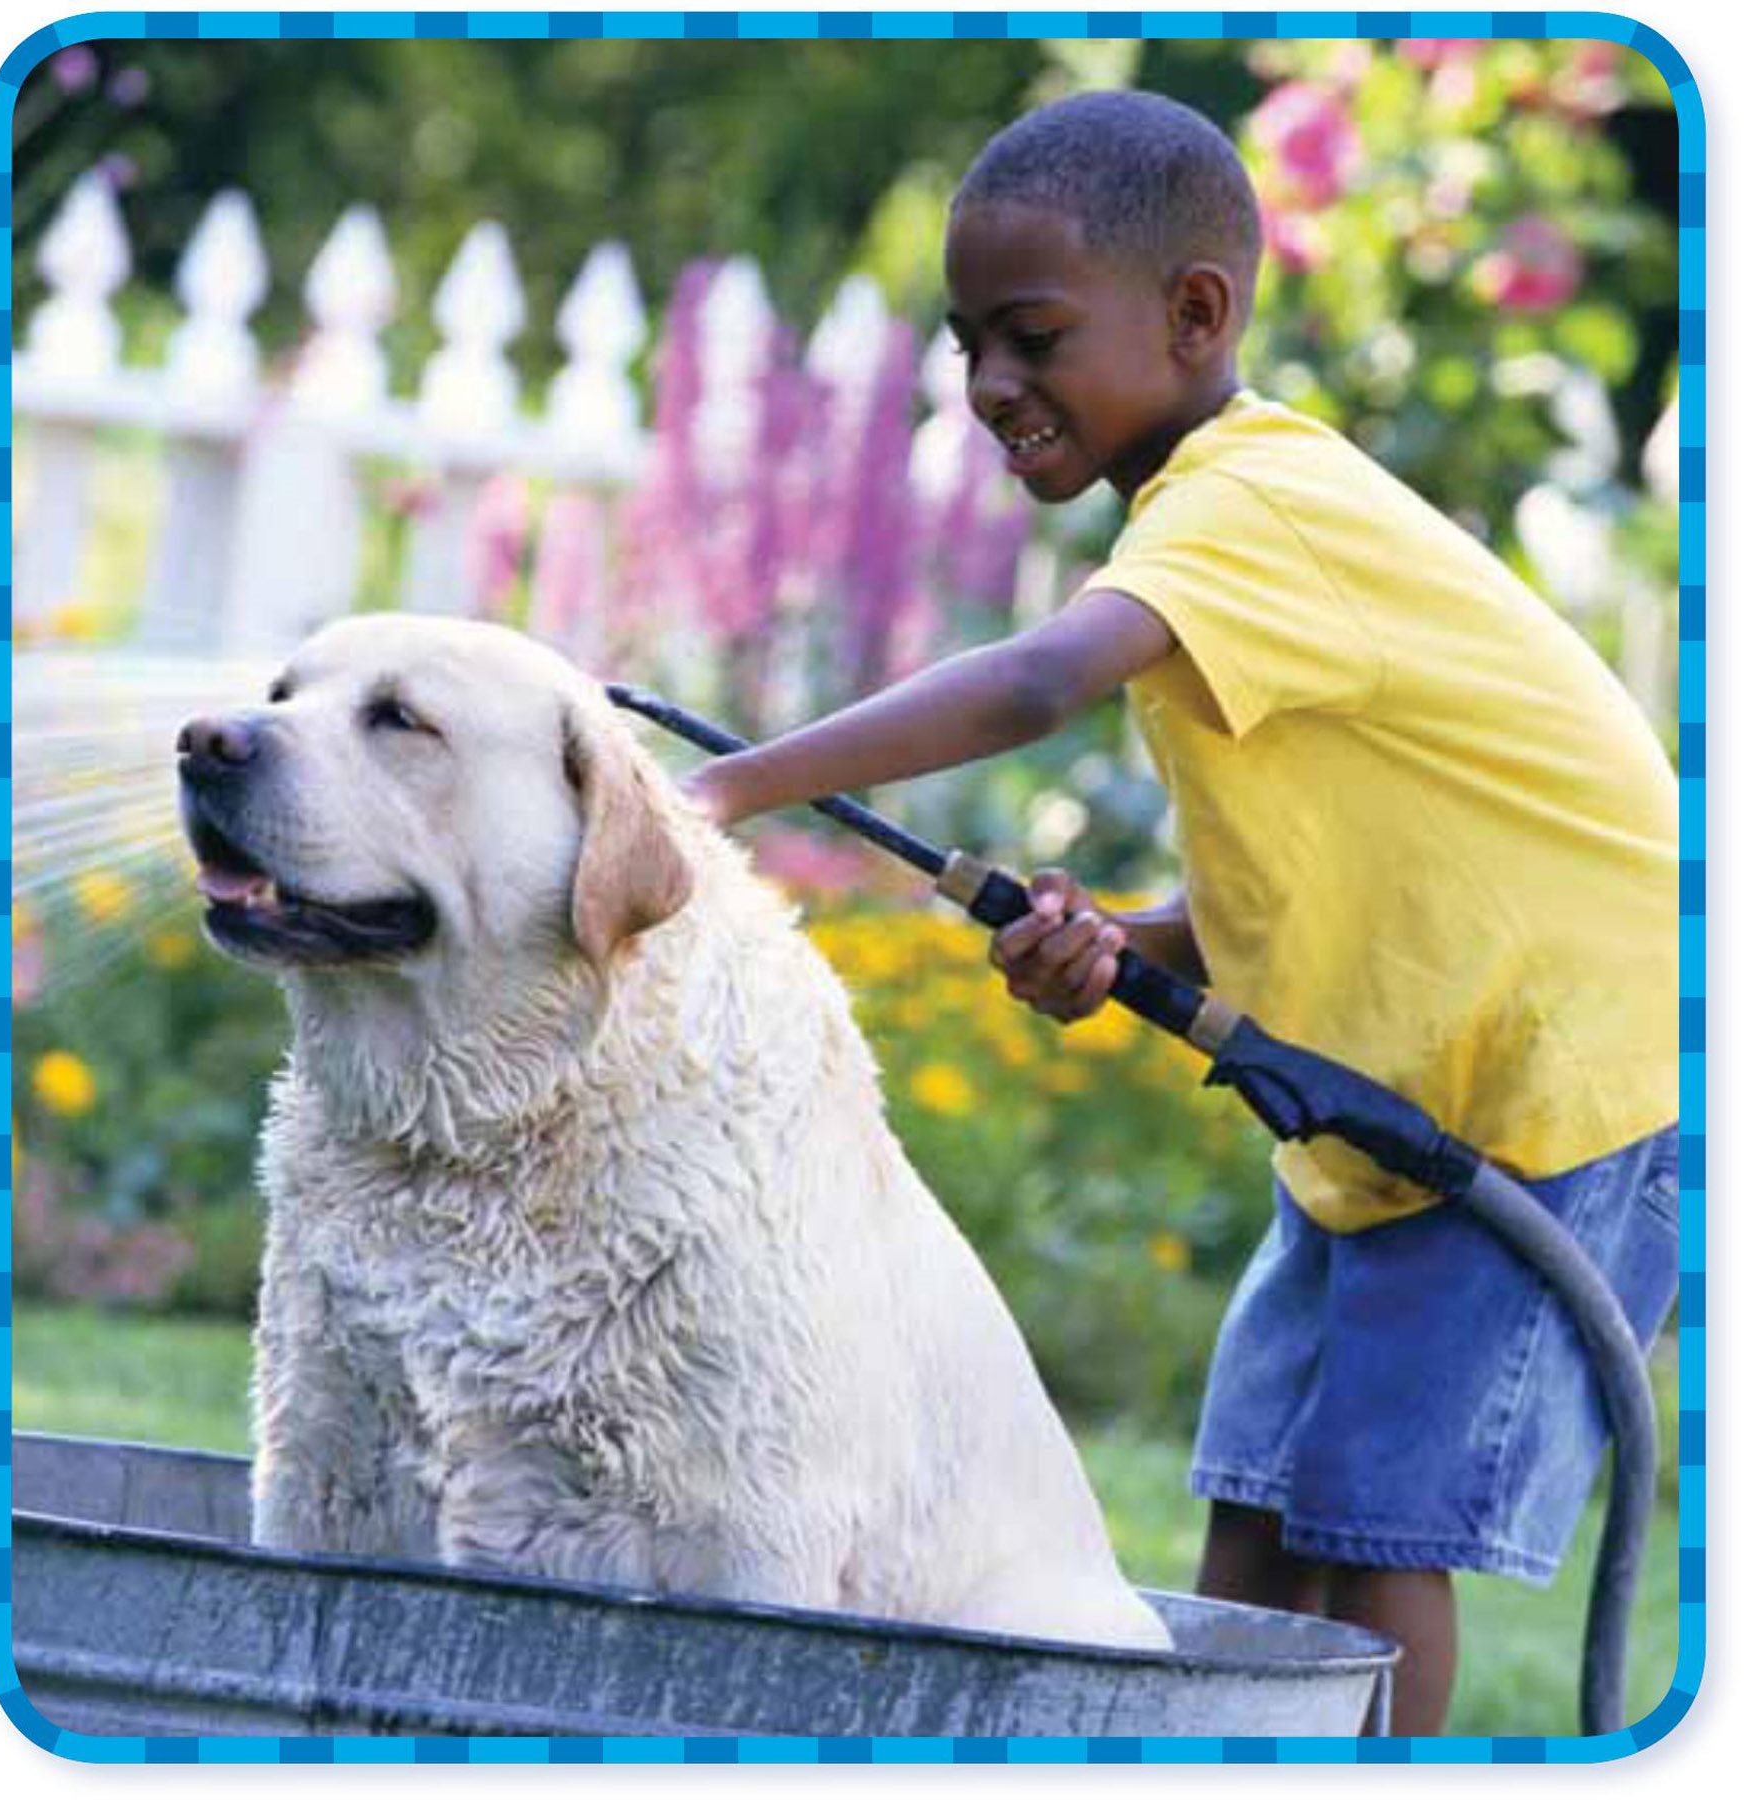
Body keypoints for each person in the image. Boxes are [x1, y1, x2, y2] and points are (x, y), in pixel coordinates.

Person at [683, 90, 1679, 1736]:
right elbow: (1319, 868)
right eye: (969, 346)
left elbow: (1030, 684)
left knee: (1370, 1541)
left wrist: (718, 790)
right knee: (1255, 1517)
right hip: (1404, 1105)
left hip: (1568, 1091)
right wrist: (1127, 944)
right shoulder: (1224, 532)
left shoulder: (1249, 503)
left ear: (1197, 314)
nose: (992, 387)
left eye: (1035, 336)